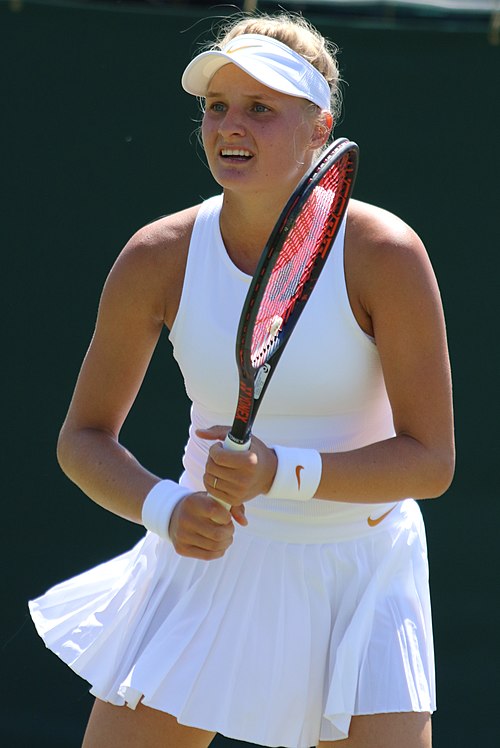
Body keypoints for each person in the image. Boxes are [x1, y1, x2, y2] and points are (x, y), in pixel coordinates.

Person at [29, 11, 455, 748]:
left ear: (319, 127)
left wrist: (277, 473)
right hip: (208, 560)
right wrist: (165, 507)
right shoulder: (156, 256)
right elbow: (83, 438)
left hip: (362, 572)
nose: (232, 125)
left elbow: (431, 462)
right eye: (217, 107)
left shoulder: (385, 253)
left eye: (262, 108)